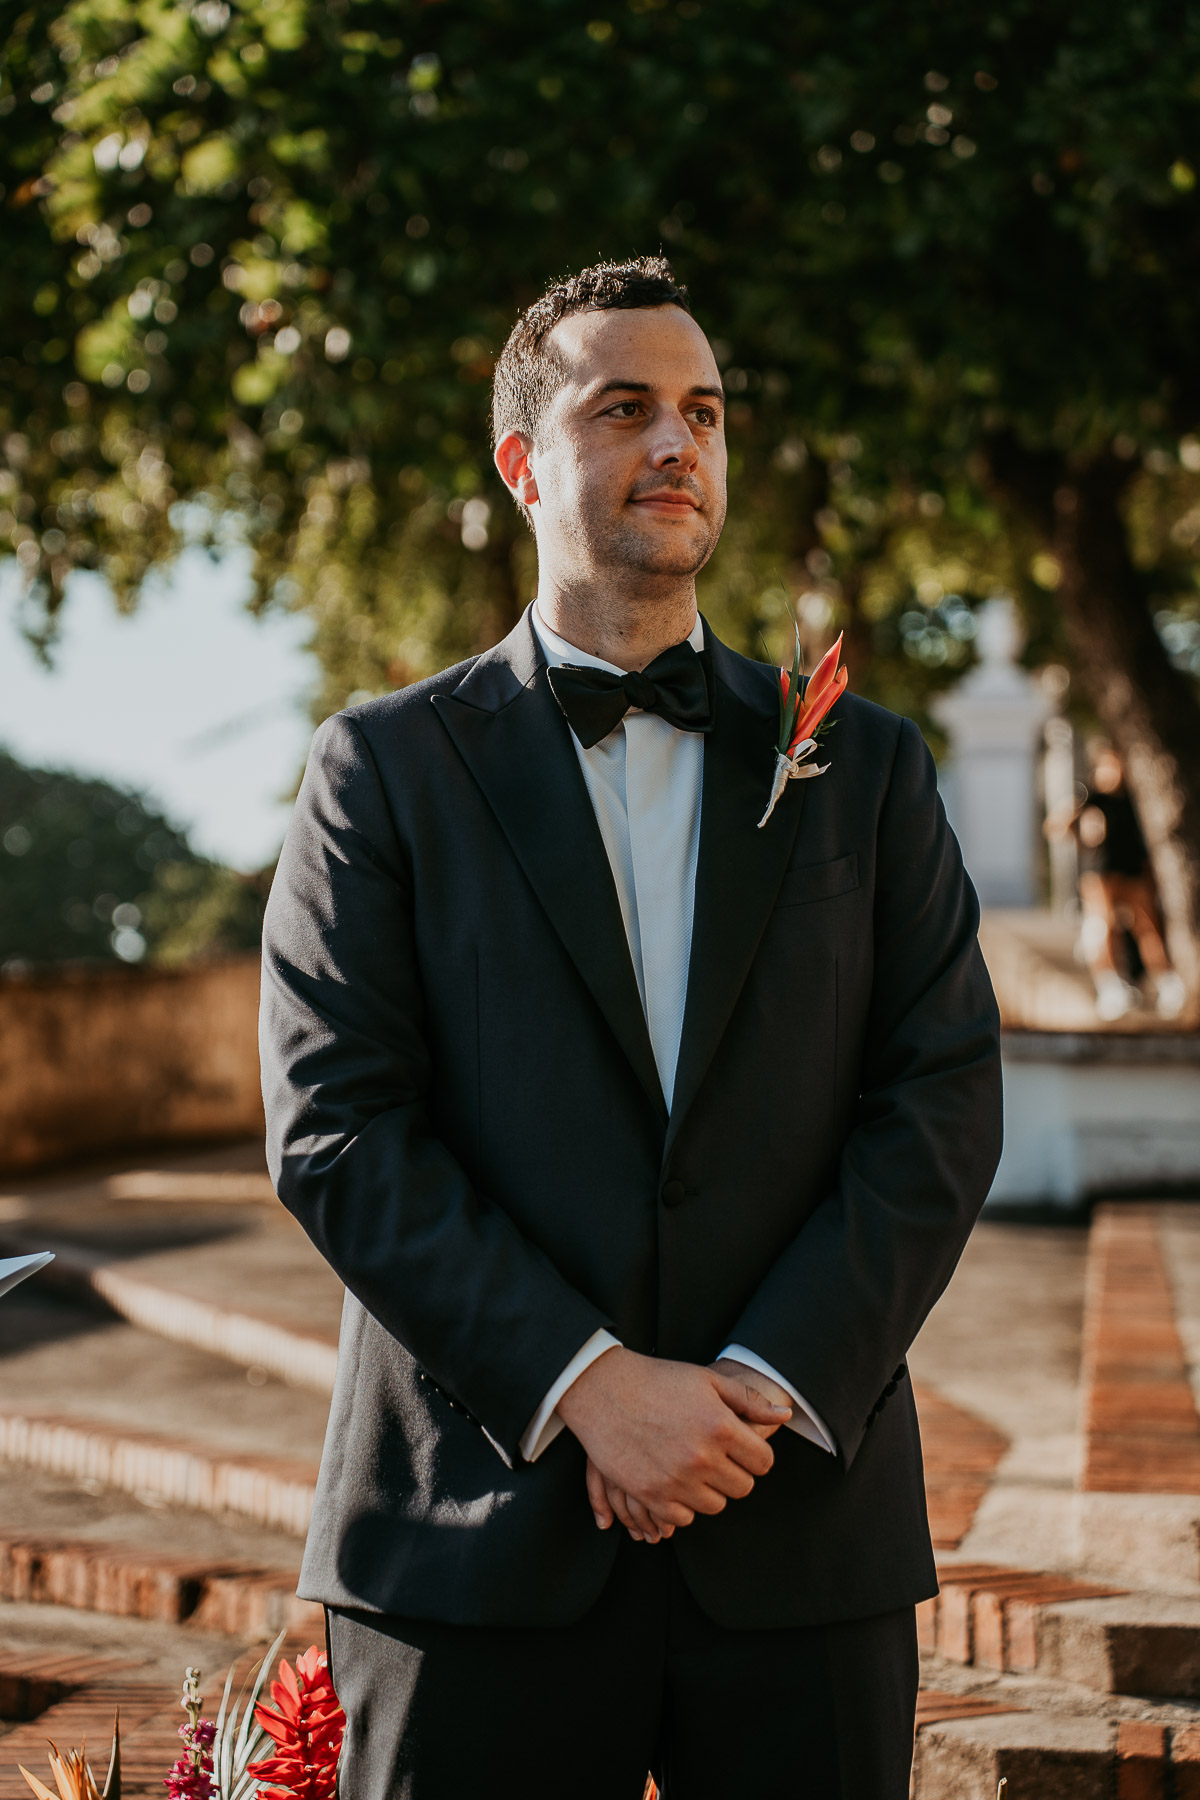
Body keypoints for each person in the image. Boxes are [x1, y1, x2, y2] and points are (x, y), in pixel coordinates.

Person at [259, 256, 1003, 1799]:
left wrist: (760, 1387)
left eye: (705, 412)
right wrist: (589, 1384)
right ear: (527, 464)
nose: (680, 445)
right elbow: (336, 1125)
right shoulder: (383, 769)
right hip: (475, 1543)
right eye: (626, 409)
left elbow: (937, 1103)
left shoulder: (862, 767)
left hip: (796, 1531)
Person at [1046, 742, 1184, 1021]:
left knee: (1148, 926)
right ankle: (1110, 986)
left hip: (1131, 869)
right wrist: (1077, 821)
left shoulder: (1135, 799)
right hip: (1100, 873)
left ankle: (1166, 981)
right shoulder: (1091, 798)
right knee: (1105, 928)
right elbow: (1057, 828)